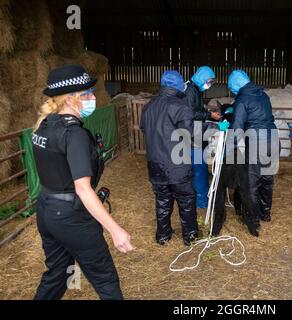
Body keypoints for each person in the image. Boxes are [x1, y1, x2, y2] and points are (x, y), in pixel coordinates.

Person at [32, 64, 134, 300]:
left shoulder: (45, 126)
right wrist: (115, 230)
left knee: (58, 273)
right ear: (70, 99)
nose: (93, 97)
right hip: (71, 215)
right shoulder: (73, 134)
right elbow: (83, 189)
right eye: (86, 94)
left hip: (46, 209)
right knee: (105, 278)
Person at [140, 70, 199, 246]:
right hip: (177, 164)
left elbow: (144, 129)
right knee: (186, 199)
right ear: (179, 85)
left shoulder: (149, 105)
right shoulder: (181, 106)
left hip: (155, 164)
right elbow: (187, 136)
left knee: (163, 199)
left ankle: (163, 235)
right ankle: (190, 236)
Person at [227, 70, 279, 235]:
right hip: (272, 140)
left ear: (235, 85)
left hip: (257, 142)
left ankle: (253, 220)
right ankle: (265, 213)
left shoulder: (242, 100)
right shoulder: (263, 95)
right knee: (267, 178)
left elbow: (237, 129)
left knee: (252, 182)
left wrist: (229, 148)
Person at [185, 66, 222, 209]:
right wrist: (209, 115)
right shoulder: (190, 91)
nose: (209, 85)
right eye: (208, 81)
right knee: (199, 168)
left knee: (199, 166)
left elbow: (197, 109)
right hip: (192, 135)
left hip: (196, 133)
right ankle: (201, 201)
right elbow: (190, 114)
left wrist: (207, 112)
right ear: (201, 78)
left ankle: (200, 198)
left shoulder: (195, 90)